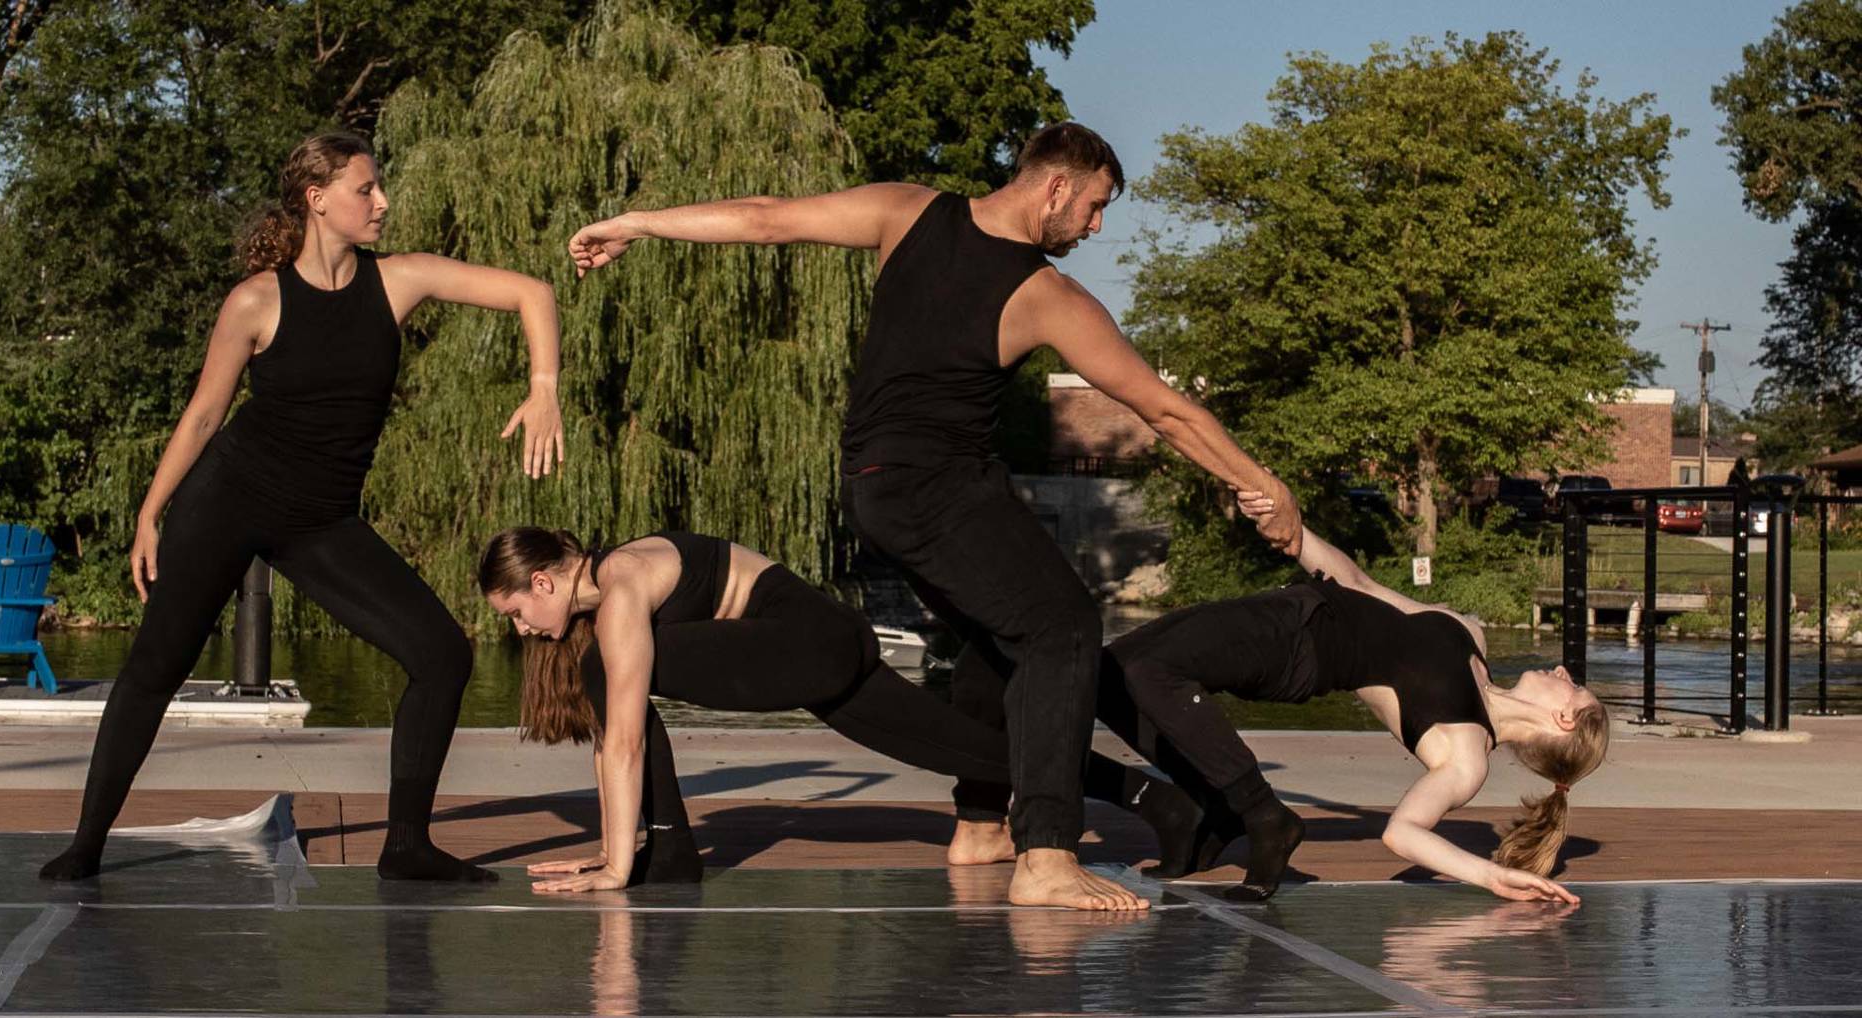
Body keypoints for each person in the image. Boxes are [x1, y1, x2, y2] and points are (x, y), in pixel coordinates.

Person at [565, 122, 1300, 910]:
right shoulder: (1043, 295)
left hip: (873, 490)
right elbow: (1161, 408)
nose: (1094, 227)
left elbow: (763, 217)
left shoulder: (907, 210)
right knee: (1062, 630)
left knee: (996, 641)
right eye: (1092, 207)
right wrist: (1265, 486)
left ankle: (983, 822)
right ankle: (1046, 857)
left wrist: (635, 222)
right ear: (1056, 185)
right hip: (939, 490)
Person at [39, 131, 565, 882]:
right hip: (227, 499)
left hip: (322, 520)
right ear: (319, 200)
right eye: (365, 189)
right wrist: (150, 513)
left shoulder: (399, 281)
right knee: (155, 667)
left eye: (379, 188)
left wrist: (543, 385)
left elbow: (531, 293)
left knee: (443, 654)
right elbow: (202, 416)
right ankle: (86, 843)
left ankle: (408, 846)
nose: (382, 201)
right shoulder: (256, 300)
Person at [478, 526, 1207, 898]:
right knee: (955, 748)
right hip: (817, 642)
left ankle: (666, 851)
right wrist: (613, 852)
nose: (520, 629)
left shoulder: (622, 581)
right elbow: (618, 738)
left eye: (515, 612)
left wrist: (613, 863)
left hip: (805, 641)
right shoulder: (613, 587)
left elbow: (625, 741)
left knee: (610, 666)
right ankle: (1157, 799)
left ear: (544, 580)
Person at [1095, 508, 1609, 905]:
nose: (1564, 673)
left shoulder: (1466, 751)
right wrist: (1297, 536)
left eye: (1573, 687)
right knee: (1102, 678)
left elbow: (1403, 832)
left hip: (1295, 652)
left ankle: (1260, 815)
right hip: (1290, 605)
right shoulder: (1469, 636)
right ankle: (1198, 811)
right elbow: (1361, 586)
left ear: (1564, 721)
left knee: (1148, 672)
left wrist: (1489, 874)